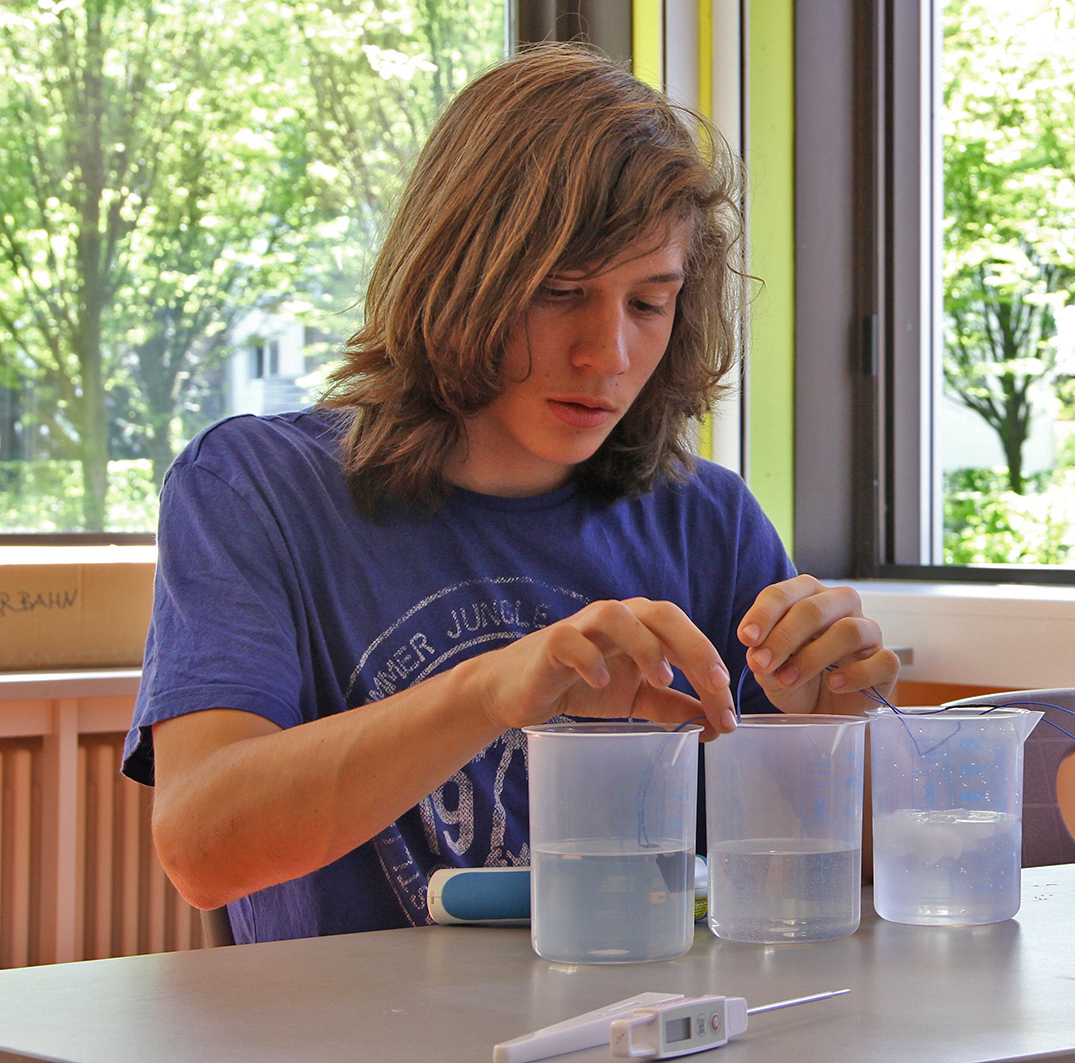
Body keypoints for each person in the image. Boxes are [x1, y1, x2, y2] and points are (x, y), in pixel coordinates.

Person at [121, 44, 899, 942]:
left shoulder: (709, 522)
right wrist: (487, 692)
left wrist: (837, 731)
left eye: (649, 303)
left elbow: (826, 886)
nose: (607, 355)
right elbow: (201, 847)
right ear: (456, 275)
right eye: (560, 292)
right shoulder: (253, 489)